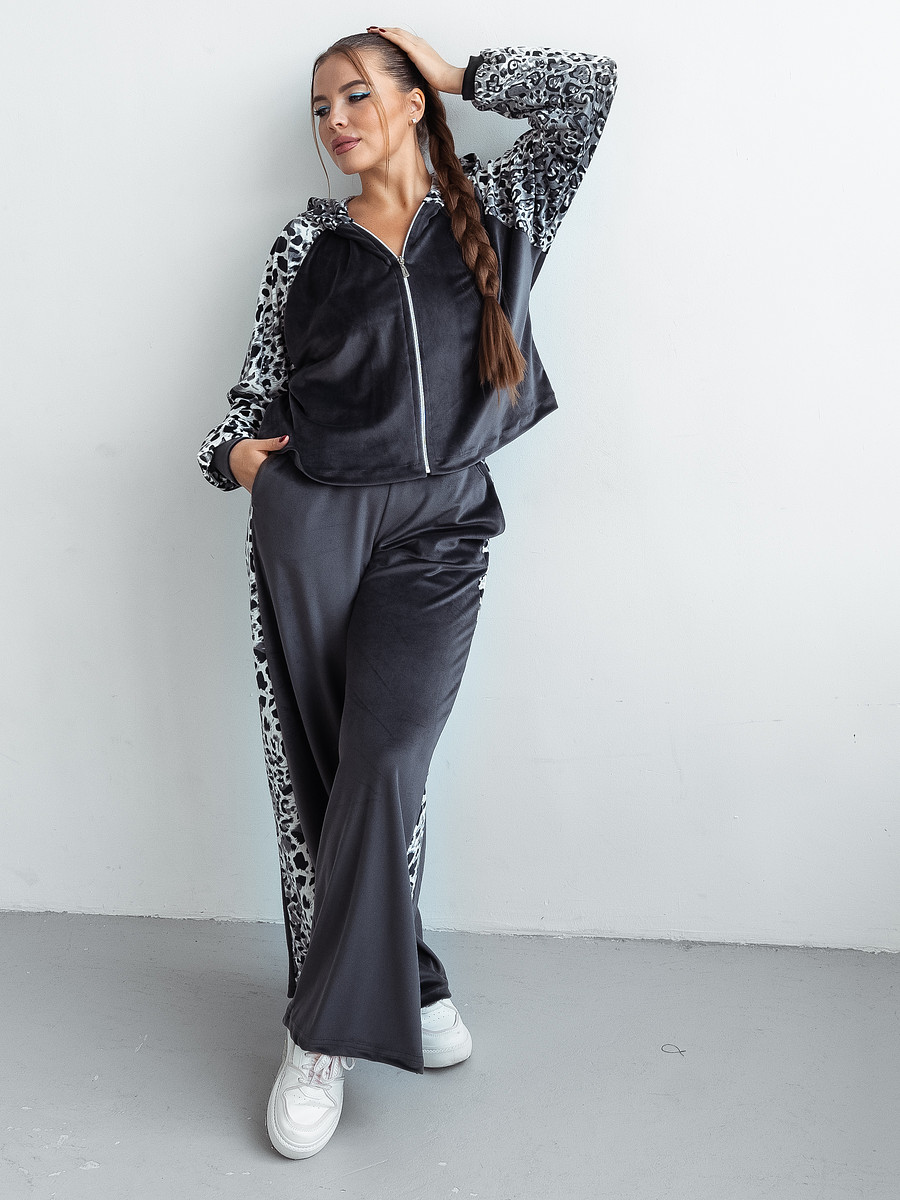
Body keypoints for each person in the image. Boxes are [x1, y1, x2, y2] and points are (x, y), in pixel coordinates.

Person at [197, 26, 617, 1160]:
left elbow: (588, 93)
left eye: (354, 94)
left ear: (410, 101)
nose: (333, 120)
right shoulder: (307, 243)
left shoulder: (504, 207)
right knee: (323, 779)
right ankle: (405, 983)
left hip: (439, 528)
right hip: (314, 521)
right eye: (318, 108)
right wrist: (239, 461)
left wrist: (455, 73)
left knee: (386, 759)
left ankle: (319, 1033)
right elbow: (248, 398)